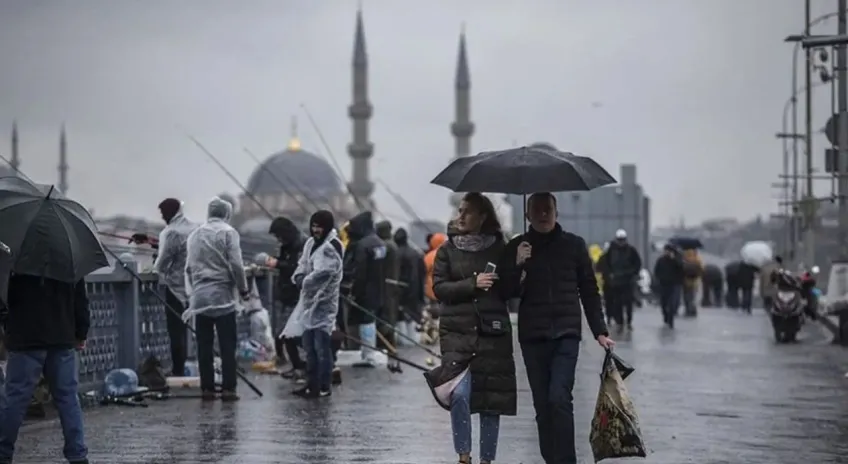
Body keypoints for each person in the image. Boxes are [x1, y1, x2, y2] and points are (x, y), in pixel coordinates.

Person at [500, 192, 614, 464]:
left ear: (556, 212)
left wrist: (600, 330)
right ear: (527, 215)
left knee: (559, 398)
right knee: (542, 405)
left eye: (547, 209)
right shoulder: (517, 246)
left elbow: (589, 289)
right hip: (532, 336)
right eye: (537, 210)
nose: (543, 214)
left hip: (566, 333)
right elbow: (505, 291)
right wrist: (517, 264)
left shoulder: (574, 246)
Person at [423, 192, 516, 464]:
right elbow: (439, 288)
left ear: (483, 217)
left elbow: (510, 290)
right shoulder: (447, 250)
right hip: (456, 333)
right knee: (459, 395)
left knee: (490, 401)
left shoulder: (501, 249)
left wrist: (519, 264)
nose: (460, 216)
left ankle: (487, 459)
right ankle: (464, 456)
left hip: (492, 333)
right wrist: (472, 284)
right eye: (460, 210)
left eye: (467, 212)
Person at [0, 273, 90, 464]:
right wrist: (81, 332)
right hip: (61, 336)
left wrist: (8, 324)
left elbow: (3, 298)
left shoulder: (15, 254)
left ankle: (3, 453)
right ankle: (77, 455)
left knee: (15, 399)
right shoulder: (68, 254)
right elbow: (80, 298)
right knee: (68, 399)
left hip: (25, 337)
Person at [183, 197, 249, 402]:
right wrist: (243, 289)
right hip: (223, 298)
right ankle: (229, 389)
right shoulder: (229, 233)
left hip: (200, 299)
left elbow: (188, 268)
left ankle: (207, 389)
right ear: (226, 213)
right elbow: (237, 265)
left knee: (204, 346)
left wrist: (194, 292)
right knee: (227, 345)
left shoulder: (195, 235)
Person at [291, 210, 344, 398]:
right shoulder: (310, 243)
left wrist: (303, 281)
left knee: (322, 347)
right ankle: (311, 384)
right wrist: (298, 275)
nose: (315, 230)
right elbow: (303, 263)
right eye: (313, 226)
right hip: (308, 303)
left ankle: (323, 385)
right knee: (309, 347)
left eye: (319, 226)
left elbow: (324, 273)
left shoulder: (332, 246)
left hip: (324, 303)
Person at [153, 197, 196, 377]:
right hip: (194, 287)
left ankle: (178, 371)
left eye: (163, 213)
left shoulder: (171, 233)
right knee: (195, 330)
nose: (162, 217)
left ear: (170, 213)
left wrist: (155, 263)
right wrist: (151, 241)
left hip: (175, 290)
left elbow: (162, 264)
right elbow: (181, 249)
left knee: (176, 332)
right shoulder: (193, 228)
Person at [342, 211, 386, 368]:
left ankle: (368, 355)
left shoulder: (362, 245)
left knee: (365, 321)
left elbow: (360, 273)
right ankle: (369, 353)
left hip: (365, 290)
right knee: (370, 320)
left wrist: (355, 293)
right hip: (378, 288)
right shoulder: (379, 243)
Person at [265, 216, 307, 383]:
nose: (278, 240)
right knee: (285, 332)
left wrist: (277, 264)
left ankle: (303, 365)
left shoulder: (300, 244)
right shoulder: (288, 245)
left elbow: (296, 268)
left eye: (279, 236)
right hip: (286, 294)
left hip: (296, 295)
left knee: (291, 333)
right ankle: (297, 366)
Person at [596, 229, 642, 330]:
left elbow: (637, 264)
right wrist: (610, 275)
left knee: (628, 302)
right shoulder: (611, 251)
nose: (621, 242)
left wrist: (632, 274)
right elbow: (605, 265)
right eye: (619, 240)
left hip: (628, 281)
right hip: (615, 282)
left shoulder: (631, 250)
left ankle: (629, 320)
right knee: (617, 303)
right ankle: (619, 321)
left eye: (623, 240)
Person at [393, 227, 426, 346]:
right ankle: (413, 340)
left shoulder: (396, 253)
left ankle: (404, 340)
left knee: (400, 316)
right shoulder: (416, 253)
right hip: (416, 289)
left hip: (401, 289)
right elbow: (422, 273)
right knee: (413, 316)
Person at [376, 220, 400, 348]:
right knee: (390, 314)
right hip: (392, 284)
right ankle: (390, 342)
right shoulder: (392, 245)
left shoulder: (386, 246)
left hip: (385, 285)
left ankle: (387, 343)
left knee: (386, 314)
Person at [653, 244, 685, 328]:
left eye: (669, 251)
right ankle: (665, 316)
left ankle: (671, 320)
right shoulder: (660, 260)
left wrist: (675, 259)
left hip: (673, 284)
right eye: (666, 250)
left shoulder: (676, 260)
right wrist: (657, 280)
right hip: (663, 284)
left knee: (672, 304)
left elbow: (681, 270)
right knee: (663, 303)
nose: (667, 252)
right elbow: (656, 271)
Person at [681, 249, 703, 316]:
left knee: (686, 296)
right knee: (693, 296)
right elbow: (702, 270)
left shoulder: (684, 258)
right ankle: (693, 310)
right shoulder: (697, 259)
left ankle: (687, 310)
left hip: (685, 281)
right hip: (695, 281)